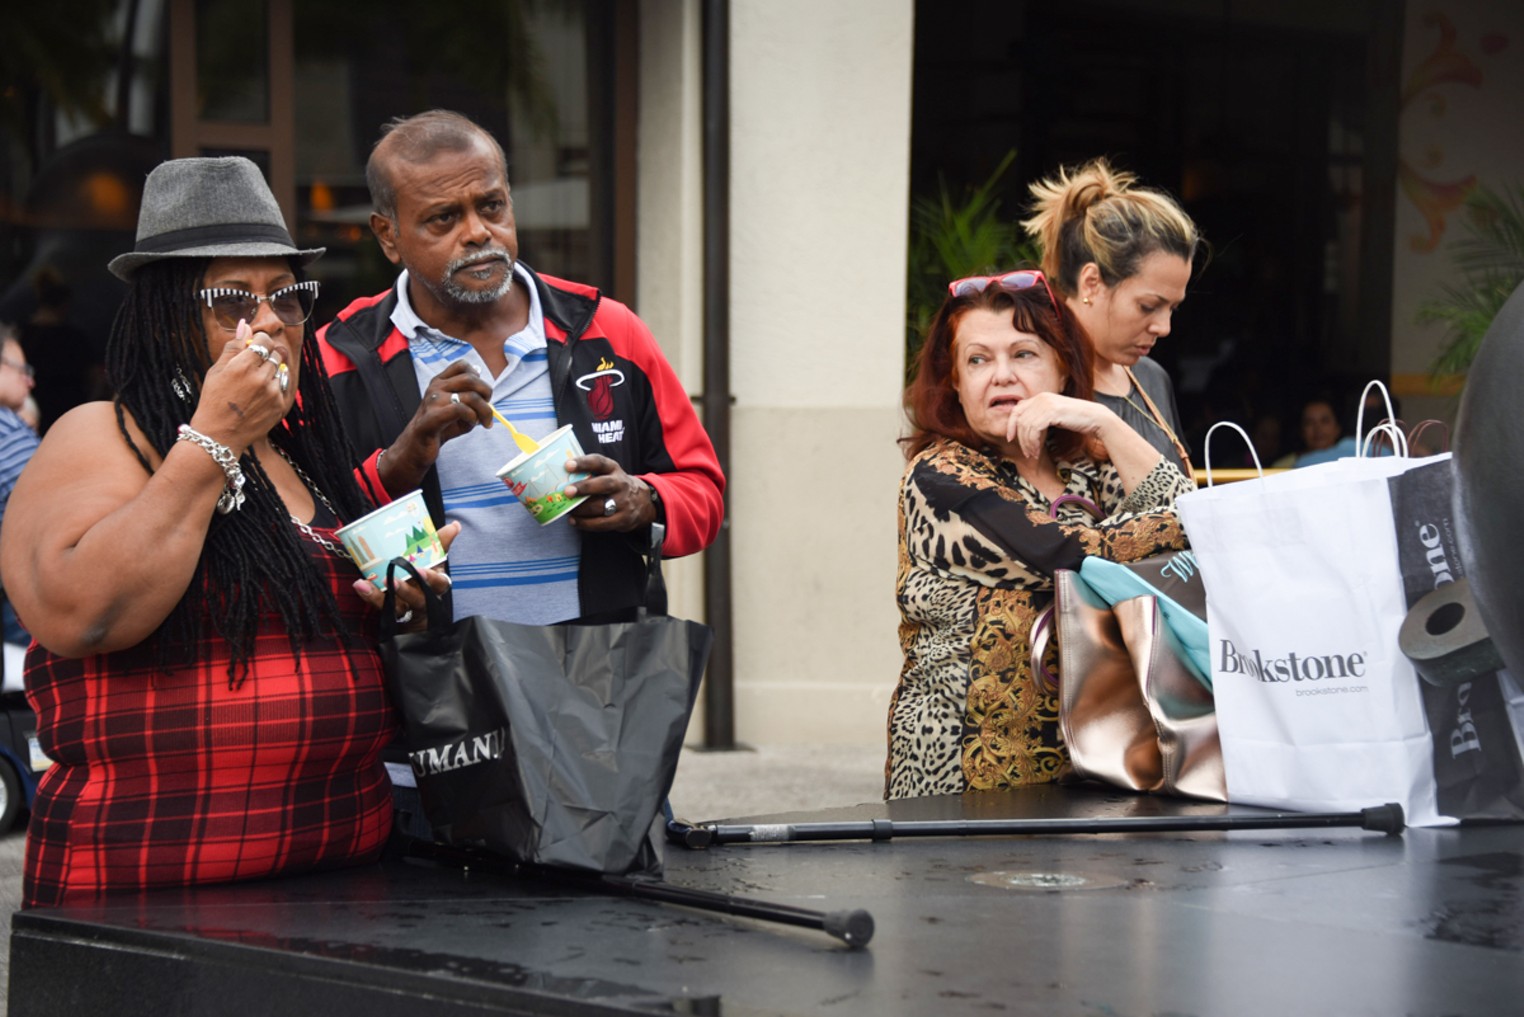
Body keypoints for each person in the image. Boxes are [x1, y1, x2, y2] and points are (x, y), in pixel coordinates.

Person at [0, 156, 452, 909]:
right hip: (148, 893)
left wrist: (398, 603)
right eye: (232, 299)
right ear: (166, 314)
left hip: (341, 875)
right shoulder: (103, 437)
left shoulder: (312, 454)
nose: (270, 320)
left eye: (287, 296)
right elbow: (82, 614)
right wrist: (212, 437)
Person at [318, 110, 724, 626]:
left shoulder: (606, 331)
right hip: (427, 685)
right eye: (443, 218)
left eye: (491, 206)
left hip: (595, 676)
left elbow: (703, 492)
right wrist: (398, 463)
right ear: (388, 235)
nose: (477, 233)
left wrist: (643, 501)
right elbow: (302, 531)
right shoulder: (339, 358)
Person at [887, 270, 1192, 800]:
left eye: (1024, 354)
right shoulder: (942, 479)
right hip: (965, 778)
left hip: (1097, 763)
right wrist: (1194, 523)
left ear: (1061, 367)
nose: (1000, 376)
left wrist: (1106, 422)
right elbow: (1074, 555)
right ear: (955, 382)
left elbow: (1189, 537)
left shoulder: (1086, 471)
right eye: (977, 360)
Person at [1023, 159, 1200, 479]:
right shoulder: (1028, 376)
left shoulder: (1151, 378)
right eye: (1148, 306)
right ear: (1091, 282)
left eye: (1172, 308)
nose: (1164, 328)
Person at [0, 328, 40, 691]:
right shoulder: (7, 432)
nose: (29, 380)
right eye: (20, 368)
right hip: (17, 632)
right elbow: (44, 522)